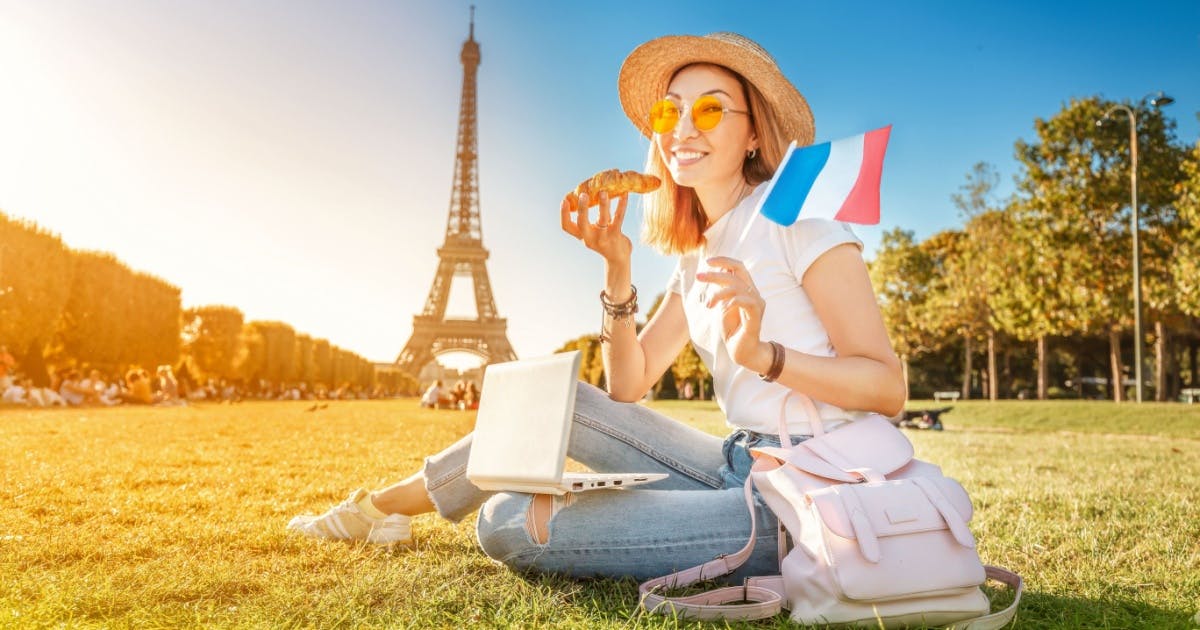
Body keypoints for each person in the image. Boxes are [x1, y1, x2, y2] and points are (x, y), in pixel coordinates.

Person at [288, 32, 903, 583]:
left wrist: (765, 357)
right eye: (670, 110)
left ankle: (388, 510)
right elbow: (628, 385)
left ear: (753, 134)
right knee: (556, 402)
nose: (683, 128)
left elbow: (886, 387)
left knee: (508, 522)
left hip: (808, 494)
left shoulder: (799, 220)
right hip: (736, 463)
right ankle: (383, 508)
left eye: (711, 108)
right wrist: (617, 269)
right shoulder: (699, 254)